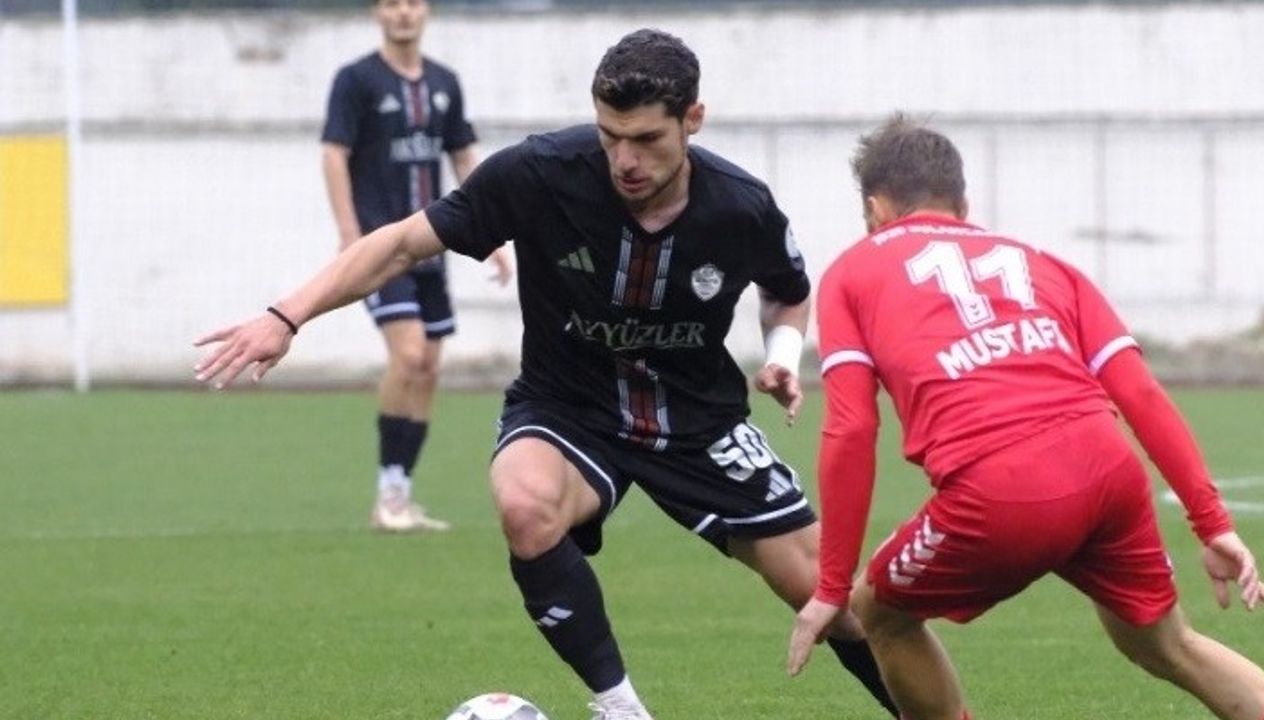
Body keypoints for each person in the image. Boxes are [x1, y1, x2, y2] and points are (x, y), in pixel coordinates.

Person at [195, 28, 898, 720]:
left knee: (831, 597)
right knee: (525, 505)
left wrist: (781, 357)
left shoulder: (741, 205)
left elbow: (787, 291)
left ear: (693, 119)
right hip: (569, 407)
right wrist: (285, 316)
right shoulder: (538, 174)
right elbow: (402, 244)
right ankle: (621, 709)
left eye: (646, 139)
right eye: (609, 136)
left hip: (696, 420)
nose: (625, 159)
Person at [786, 115, 1264, 720]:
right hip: (1108, 473)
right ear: (963, 204)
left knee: (879, 613)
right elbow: (1140, 393)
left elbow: (853, 428)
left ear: (875, 209)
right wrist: (1213, 524)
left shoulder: (851, 271)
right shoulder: (1046, 262)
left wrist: (832, 586)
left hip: (1003, 492)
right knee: (1166, 643)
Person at [321, 0, 512, 533]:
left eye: (412, 3)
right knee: (407, 355)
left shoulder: (444, 83)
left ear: (425, 11)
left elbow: (463, 156)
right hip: (380, 248)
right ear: (377, 13)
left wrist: (492, 229)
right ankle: (387, 495)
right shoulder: (356, 80)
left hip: (431, 246)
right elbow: (334, 154)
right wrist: (348, 233)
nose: (402, 13)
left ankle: (399, 495)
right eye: (392, 3)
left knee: (428, 367)